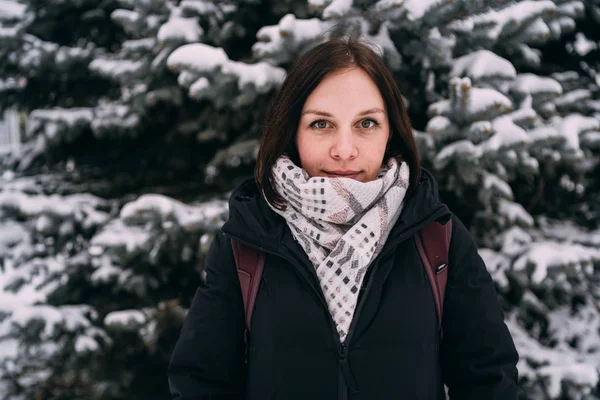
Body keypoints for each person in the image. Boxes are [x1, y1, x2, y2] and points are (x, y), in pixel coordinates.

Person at [168, 37, 519, 400]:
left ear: (391, 131)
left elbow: (489, 377)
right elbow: (200, 384)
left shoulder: (438, 238)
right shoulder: (246, 242)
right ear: (292, 131)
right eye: (322, 124)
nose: (345, 150)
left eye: (366, 123)